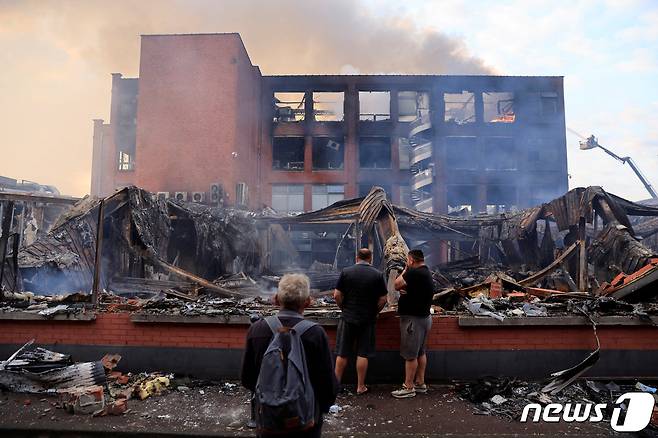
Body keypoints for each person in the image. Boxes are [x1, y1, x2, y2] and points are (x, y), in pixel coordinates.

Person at [241, 274, 338, 437]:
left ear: (276, 299)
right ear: (308, 302)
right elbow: (327, 382)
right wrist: (320, 409)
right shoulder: (315, 333)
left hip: (268, 420)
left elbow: (247, 378)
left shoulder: (257, 330)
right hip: (306, 421)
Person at [333, 248, 388, 395]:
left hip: (348, 317)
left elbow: (337, 295)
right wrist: (375, 311)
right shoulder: (377, 275)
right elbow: (383, 299)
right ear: (370, 258)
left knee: (342, 352)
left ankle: (335, 385)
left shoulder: (346, 272)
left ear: (357, 258)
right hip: (367, 318)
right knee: (363, 353)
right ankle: (360, 386)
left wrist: (344, 308)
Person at [391, 249, 434, 399]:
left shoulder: (414, 272)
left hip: (413, 321)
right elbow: (411, 289)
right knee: (420, 352)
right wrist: (406, 288)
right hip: (425, 318)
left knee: (410, 355)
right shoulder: (425, 272)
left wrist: (405, 270)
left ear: (411, 260)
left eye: (407, 260)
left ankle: (408, 387)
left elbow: (395, 285)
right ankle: (420, 383)